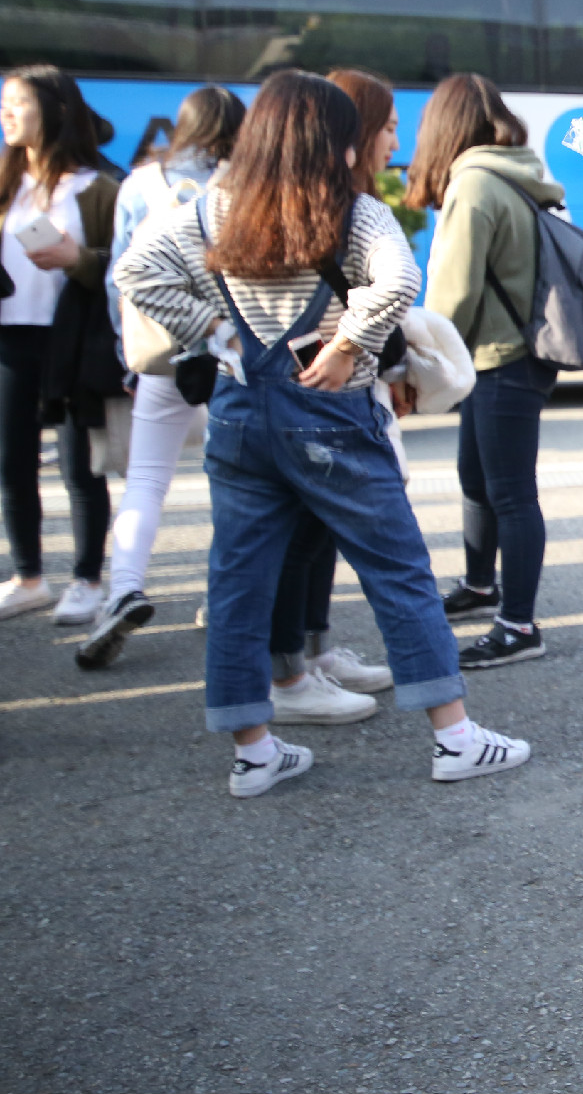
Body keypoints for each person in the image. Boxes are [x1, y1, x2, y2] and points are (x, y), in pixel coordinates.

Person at [113, 69, 530, 797]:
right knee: (397, 571)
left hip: (240, 419)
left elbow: (136, 272)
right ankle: (455, 738)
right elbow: (399, 283)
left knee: (237, 583)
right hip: (331, 417)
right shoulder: (355, 213)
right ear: (334, 143)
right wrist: (346, 345)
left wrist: (217, 334)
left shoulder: (209, 211)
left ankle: (253, 752)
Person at [257, 67, 409, 718]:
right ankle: (287, 673)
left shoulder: (356, 202)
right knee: (303, 535)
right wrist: (348, 346)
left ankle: (312, 652)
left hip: (340, 393)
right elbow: (397, 284)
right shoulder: (332, 206)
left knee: (316, 534)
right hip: (312, 394)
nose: (395, 142)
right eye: (388, 127)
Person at [80, 84, 243, 666]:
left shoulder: (142, 183)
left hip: (161, 351)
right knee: (235, 481)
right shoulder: (243, 185)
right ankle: (222, 597)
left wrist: (126, 350)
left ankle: (124, 589)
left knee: (146, 479)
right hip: (230, 353)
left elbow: (118, 280)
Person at [409, 73, 557, 669]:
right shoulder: (514, 171)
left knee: (511, 493)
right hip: (506, 355)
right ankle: (479, 584)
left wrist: (422, 363)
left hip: (500, 357)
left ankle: (519, 625)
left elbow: (454, 293)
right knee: (476, 477)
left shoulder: (473, 183)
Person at [0, 66, 122, 626]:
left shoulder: (98, 187)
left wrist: (78, 259)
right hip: (9, 337)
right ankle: (28, 577)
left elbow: (127, 268)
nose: (6, 113)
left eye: (18, 102)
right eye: (3, 102)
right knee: (11, 462)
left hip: (74, 342)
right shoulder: (7, 183)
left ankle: (87, 580)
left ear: (57, 110)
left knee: (80, 467)